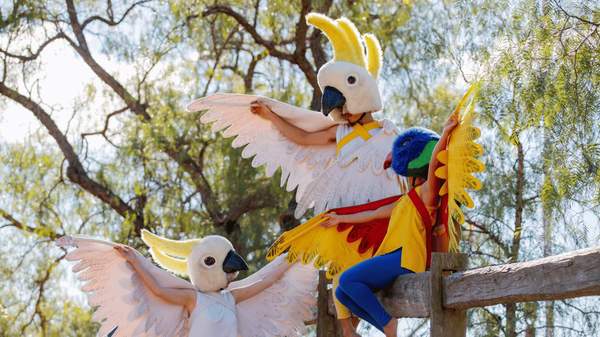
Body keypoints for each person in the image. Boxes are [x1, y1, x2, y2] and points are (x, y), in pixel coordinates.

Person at [319, 113, 459, 337]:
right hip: (392, 256)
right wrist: (340, 219)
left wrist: (444, 133)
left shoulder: (426, 196)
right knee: (343, 294)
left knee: (347, 279)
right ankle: (383, 327)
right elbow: (373, 213)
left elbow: (434, 168)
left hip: (407, 257)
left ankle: (388, 324)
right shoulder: (404, 200)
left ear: (414, 173)